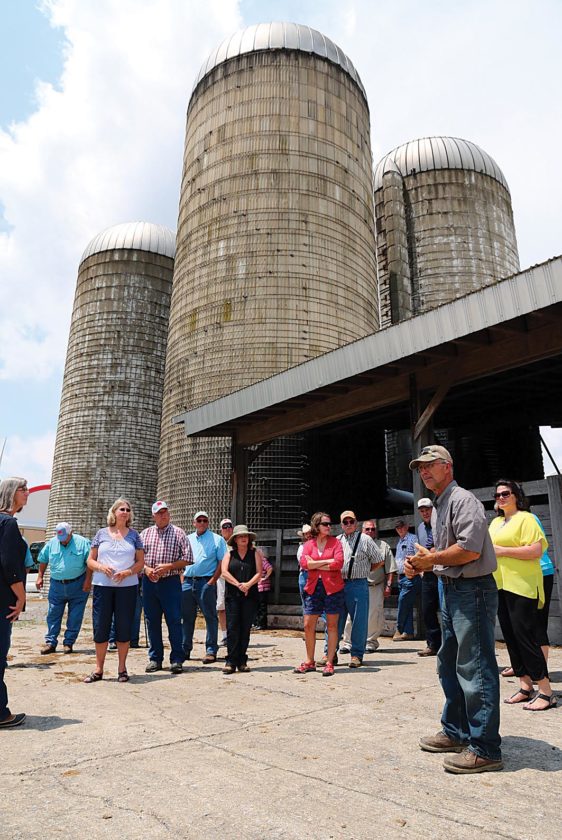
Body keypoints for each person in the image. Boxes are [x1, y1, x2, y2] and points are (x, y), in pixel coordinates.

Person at [406, 444, 502, 774]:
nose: (424, 471)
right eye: (420, 468)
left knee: (475, 667)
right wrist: (422, 564)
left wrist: (431, 559)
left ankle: (486, 748)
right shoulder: (440, 504)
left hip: (471, 591)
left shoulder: (463, 501)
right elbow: (446, 554)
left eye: (430, 465)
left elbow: (470, 551)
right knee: (449, 663)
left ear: (448, 466)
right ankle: (458, 731)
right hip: (452, 589)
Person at [489, 479, 555, 711]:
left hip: (523, 585)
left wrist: (503, 551)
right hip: (501, 585)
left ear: (517, 495)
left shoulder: (526, 519)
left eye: (506, 493)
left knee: (526, 637)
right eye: (497, 495)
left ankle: (546, 691)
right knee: (511, 636)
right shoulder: (495, 523)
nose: (501, 498)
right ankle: (525, 686)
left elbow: (536, 550)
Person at [84, 498, 144, 684]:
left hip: (127, 587)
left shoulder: (134, 536)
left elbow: (141, 562)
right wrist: (101, 568)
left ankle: (122, 668)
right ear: (114, 512)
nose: (125, 512)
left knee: (123, 626)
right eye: (121, 509)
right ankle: (99, 669)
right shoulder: (101, 534)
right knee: (101, 626)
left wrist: (128, 571)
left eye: (127, 509)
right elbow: (90, 560)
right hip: (103, 587)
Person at [140, 500, 192, 674]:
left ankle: (177, 659)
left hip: (170, 583)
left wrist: (169, 566)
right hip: (149, 583)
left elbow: (188, 558)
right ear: (153, 515)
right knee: (152, 621)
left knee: (174, 621)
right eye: (159, 513)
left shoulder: (179, 533)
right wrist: (146, 569)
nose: (162, 515)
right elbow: (136, 560)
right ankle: (155, 658)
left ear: (169, 514)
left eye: (165, 512)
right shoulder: (145, 534)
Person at [294, 512, 344, 677]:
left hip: (332, 588)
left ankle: (329, 662)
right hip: (313, 587)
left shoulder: (335, 542)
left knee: (331, 625)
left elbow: (338, 563)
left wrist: (315, 564)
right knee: (308, 624)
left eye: (330, 524)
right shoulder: (309, 544)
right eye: (325, 524)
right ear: (317, 526)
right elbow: (304, 563)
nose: (329, 526)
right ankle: (309, 661)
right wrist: (326, 562)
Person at [334, 510, 383, 668]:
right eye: (345, 522)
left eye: (351, 521)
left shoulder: (366, 539)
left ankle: (356, 655)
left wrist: (363, 571)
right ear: (341, 525)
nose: (348, 524)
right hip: (339, 584)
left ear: (356, 523)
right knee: (335, 620)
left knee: (359, 621)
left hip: (358, 584)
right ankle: (330, 653)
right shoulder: (336, 541)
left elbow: (379, 561)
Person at [341, 519, 396, 653]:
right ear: (362, 530)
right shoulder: (355, 543)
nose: (370, 531)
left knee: (373, 615)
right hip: (355, 584)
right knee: (350, 616)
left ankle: (370, 641)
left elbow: (390, 568)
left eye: (372, 529)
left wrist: (388, 585)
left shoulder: (383, 546)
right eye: (367, 529)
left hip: (374, 585)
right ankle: (348, 642)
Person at [36, 522, 91, 654]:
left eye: (65, 538)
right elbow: (43, 560)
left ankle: (69, 643)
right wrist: (40, 576)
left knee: (75, 615)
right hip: (57, 585)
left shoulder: (83, 543)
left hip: (78, 584)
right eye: (60, 538)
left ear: (71, 533)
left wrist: (88, 581)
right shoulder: (52, 543)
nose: (62, 541)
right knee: (53, 613)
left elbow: (89, 563)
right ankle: (50, 642)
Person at [0, 477, 29, 728]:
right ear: (10, 493)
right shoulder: (8, 523)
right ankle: (0, 713)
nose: (27, 493)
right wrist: (21, 597)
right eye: (23, 489)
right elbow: (9, 566)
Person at [182, 511, 227, 664]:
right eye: (199, 520)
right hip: (188, 581)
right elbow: (180, 559)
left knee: (210, 617)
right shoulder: (187, 539)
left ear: (208, 523)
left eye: (204, 520)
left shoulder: (217, 540)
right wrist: (182, 579)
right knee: (187, 618)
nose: (201, 523)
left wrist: (213, 581)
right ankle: (185, 649)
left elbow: (222, 562)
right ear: (193, 523)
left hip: (205, 582)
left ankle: (211, 650)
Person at [221, 525, 264, 673]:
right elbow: (224, 572)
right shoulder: (229, 555)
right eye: (240, 536)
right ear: (235, 540)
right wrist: (238, 584)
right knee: (233, 627)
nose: (243, 538)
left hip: (250, 595)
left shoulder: (255, 553)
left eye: (245, 536)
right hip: (233, 595)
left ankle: (242, 661)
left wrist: (248, 585)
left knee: (245, 628)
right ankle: (231, 661)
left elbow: (259, 572)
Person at [416, 498, 441, 657]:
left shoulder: (440, 524)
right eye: (422, 511)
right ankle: (433, 644)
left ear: (433, 509)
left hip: (442, 571)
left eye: (428, 510)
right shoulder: (420, 528)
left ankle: (452, 645)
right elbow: (420, 548)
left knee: (447, 610)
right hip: (428, 574)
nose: (425, 513)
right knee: (427, 610)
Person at [393, 518, 420, 641]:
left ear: (407, 527)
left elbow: (418, 555)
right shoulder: (399, 542)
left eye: (402, 527)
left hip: (411, 575)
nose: (400, 529)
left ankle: (399, 628)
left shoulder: (412, 539)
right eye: (398, 528)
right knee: (406, 604)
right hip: (401, 576)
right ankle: (408, 632)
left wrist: (415, 571)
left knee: (402, 601)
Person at [217, 518, 233, 646]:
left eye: (229, 526)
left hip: (234, 579)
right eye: (224, 527)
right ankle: (225, 635)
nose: (227, 529)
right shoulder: (218, 543)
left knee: (234, 607)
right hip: (222, 579)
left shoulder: (237, 543)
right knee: (221, 607)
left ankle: (233, 634)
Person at [254, 552, 273, 630]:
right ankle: (257, 623)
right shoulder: (256, 561)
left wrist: (265, 577)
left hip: (262, 587)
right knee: (257, 606)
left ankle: (262, 624)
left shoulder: (263, 561)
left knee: (262, 606)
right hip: (257, 587)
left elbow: (270, 568)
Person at [296, 524, 311, 606]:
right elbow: (303, 562)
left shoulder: (317, 545)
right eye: (306, 533)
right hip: (305, 574)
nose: (308, 535)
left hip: (315, 574)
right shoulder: (301, 547)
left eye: (309, 533)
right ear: (304, 535)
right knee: (305, 602)